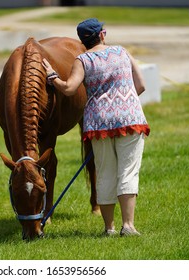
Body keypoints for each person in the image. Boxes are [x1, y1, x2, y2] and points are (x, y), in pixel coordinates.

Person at [42, 18, 150, 237]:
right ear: (102, 35)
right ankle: (128, 226)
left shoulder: (82, 60)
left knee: (105, 173)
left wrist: (53, 77)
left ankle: (109, 228)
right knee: (128, 171)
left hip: (98, 124)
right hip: (129, 119)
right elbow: (141, 85)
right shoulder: (122, 52)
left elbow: (70, 88)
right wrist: (123, 104)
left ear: (83, 41)